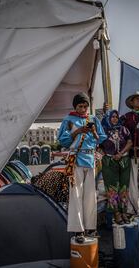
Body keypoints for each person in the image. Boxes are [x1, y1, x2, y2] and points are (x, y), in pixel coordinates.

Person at [57, 92, 107, 243]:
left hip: (91, 159)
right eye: (80, 106)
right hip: (75, 159)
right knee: (76, 195)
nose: (84, 109)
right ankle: (78, 230)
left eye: (86, 106)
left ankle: (91, 228)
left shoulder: (93, 119)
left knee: (91, 195)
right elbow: (62, 140)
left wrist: (93, 132)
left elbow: (101, 138)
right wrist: (77, 132)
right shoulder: (68, 119)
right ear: (75, 106)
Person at [100, 109, 133, 224]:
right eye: (112, 116)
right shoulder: (103, 131)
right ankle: (116, 213)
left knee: (124, 186)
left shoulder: (123, 129)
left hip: (124, 160)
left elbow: (129, 142)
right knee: (112, 188)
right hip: (109, 162)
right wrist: (105, 155)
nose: (114, 118)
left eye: (116, 116)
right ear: (108, 118)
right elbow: (98, 145)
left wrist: (121, 153)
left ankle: (123, 211)